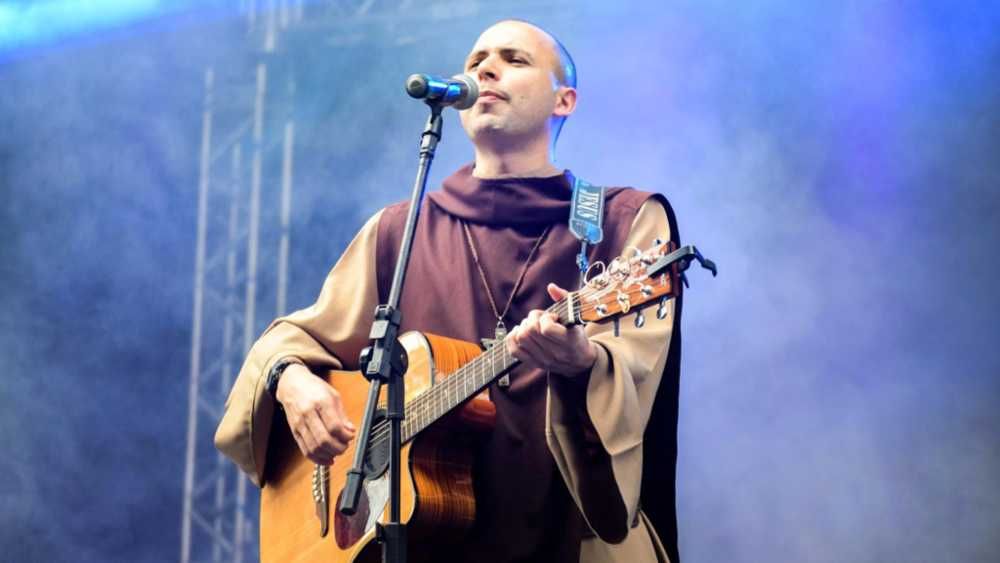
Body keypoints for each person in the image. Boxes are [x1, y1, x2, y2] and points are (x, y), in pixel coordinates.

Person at [215, 19, 683, 563]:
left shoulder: (620, 222)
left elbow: (632, 371)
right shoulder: (399, 230)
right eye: (477, 58)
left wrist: (583, 364)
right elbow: (293, 338)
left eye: (514, 58)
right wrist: (289, 378)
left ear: (565, 100)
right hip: (428, 546)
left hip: (572, 544)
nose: (485, 68)